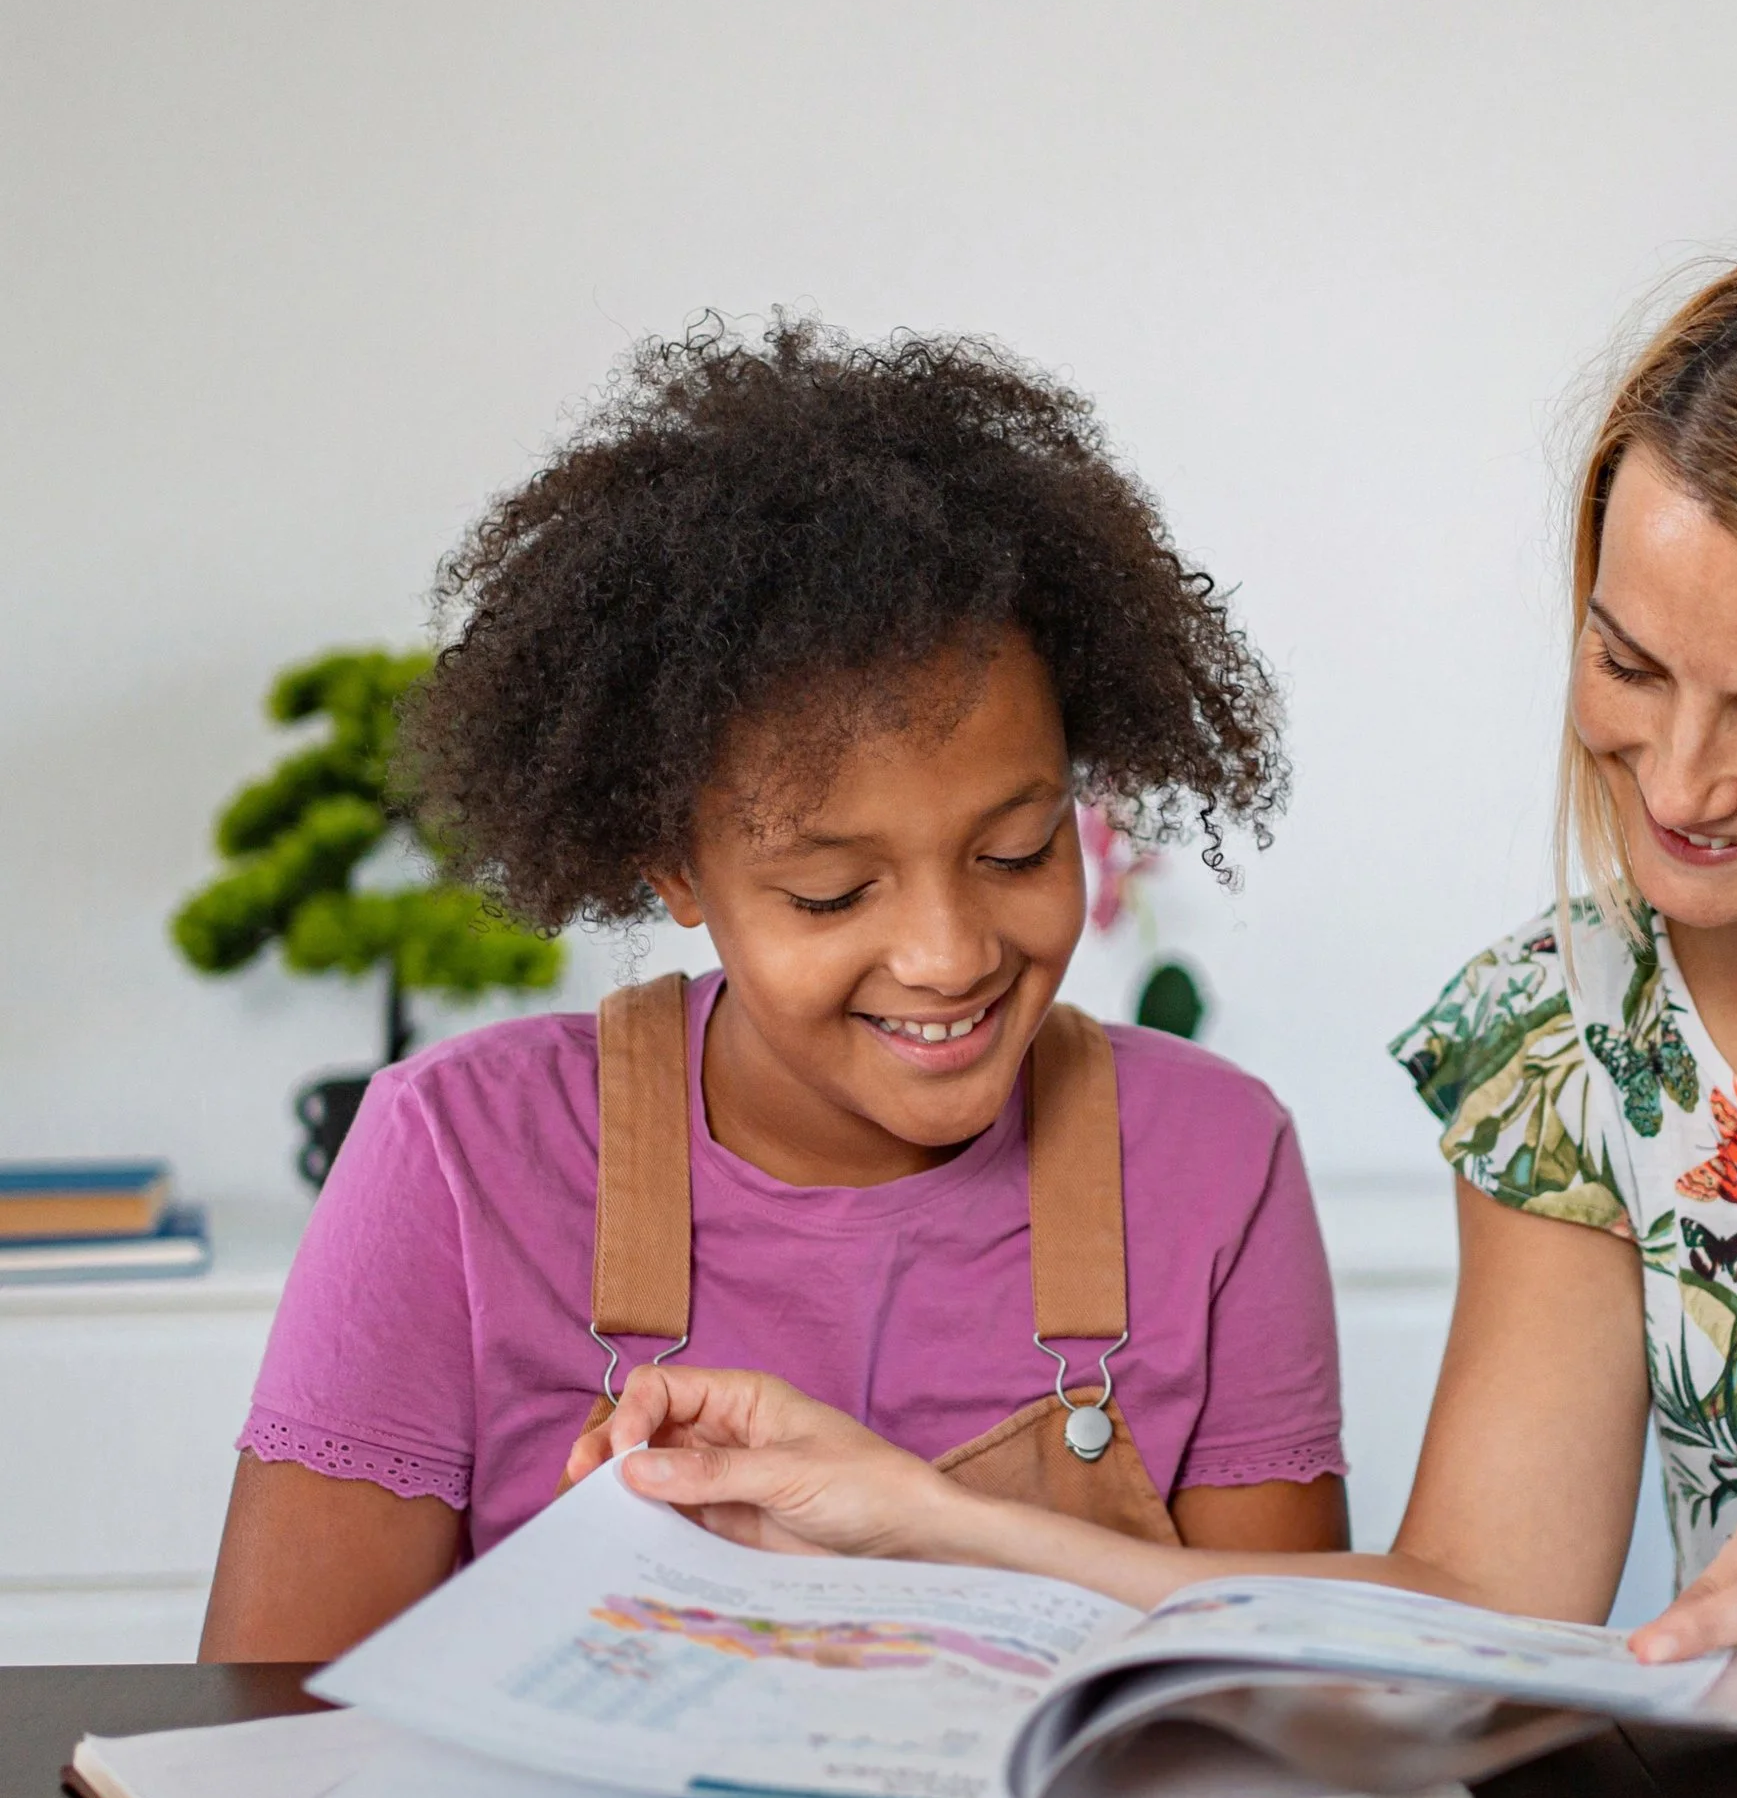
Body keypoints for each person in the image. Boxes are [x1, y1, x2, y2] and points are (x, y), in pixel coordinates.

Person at [560, 232, 1737, 1733]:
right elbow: (1473, 1618)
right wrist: (917, 1518)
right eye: (1626, 662)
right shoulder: (1573, 1040)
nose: (1676, 783)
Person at [200, 321, 1349, 1664]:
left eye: (1016, 852)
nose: (948, 956)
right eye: (832, 892)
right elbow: (268, 1730)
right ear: (674, 865)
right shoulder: (459, 1158)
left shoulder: (1214, 1161)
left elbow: (1296, 1707)